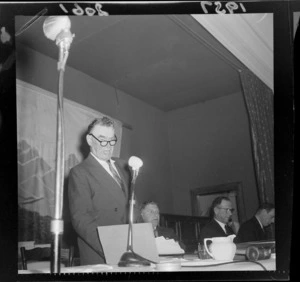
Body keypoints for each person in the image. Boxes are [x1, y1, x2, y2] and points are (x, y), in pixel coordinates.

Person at [68, 116, 137, 265]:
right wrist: (112, 248)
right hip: (101, 257)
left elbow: (131, 208)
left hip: (131, 252)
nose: (108, 145)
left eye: (112, 139)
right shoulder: (80, 172)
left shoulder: (124, 166)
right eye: (102, 139)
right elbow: (81, 219)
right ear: (90, 140)